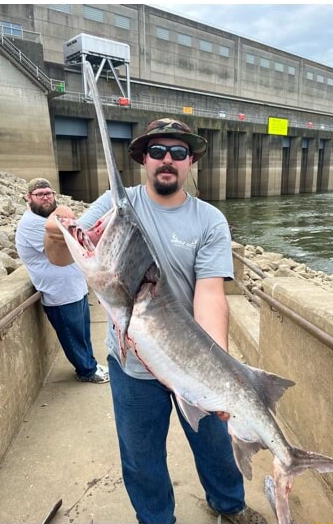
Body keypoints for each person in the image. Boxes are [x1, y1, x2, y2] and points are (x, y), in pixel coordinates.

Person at [45, 120, 267, 524]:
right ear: (144, 159)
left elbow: (211, 295)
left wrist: (219, 374)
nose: (168, 160)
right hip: (131, 368)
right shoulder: (116, 206)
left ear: (191, 161)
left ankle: (230, 506)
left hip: (194, 363)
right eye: (158, 151)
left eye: (178, 153)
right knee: (141, 457)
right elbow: (64, 257)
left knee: (216, 447)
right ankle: (156, 519)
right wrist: (54, 235)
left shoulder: (209, 220)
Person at [15, 177, 109, 384]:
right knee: (72, 336)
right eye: (40, 195)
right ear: (28, 198)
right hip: (60, 294)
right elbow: (71, 242)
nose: (46, 198)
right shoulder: (32, 224)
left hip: (75, 289)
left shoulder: (50, 220)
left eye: (49, 193)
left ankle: (90, 364)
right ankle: (86, 372)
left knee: (82, 333)